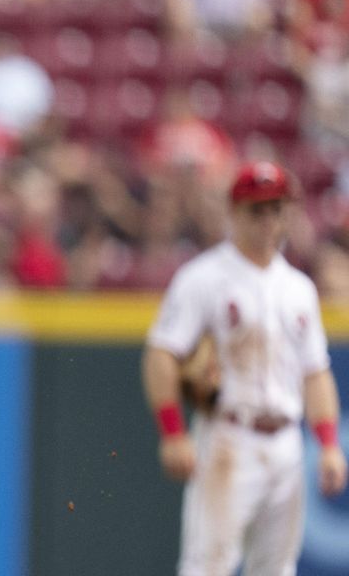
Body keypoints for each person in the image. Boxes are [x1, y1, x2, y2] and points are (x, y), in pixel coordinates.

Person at [142, 161, 347, 576]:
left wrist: (327, 443)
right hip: (228, 437)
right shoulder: (204, 278)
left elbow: (316, 372)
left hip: (287, 444)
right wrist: (173, 432)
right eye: (258, 209)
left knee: (276, 570)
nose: (268, 220)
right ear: (235, 212)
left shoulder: (298, 288)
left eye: (276, 208)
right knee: (207, 566)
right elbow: (161, 354)